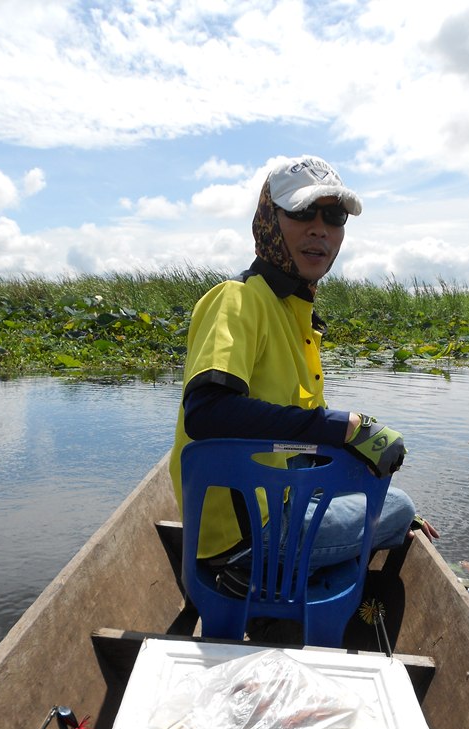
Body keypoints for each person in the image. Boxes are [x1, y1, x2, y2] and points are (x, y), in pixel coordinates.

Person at [169, 154, 438, 595]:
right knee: (398, 505)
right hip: (246, 536)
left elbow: (301, 430)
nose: (320, 229)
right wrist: (344, 426)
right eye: (301, 212)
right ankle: (246, 571)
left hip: (281, 497)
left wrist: (353, 453)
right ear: (268, 221)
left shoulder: (297, 316)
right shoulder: (236, 300)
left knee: (386, 499)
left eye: (333, 216)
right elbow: (207, 411)